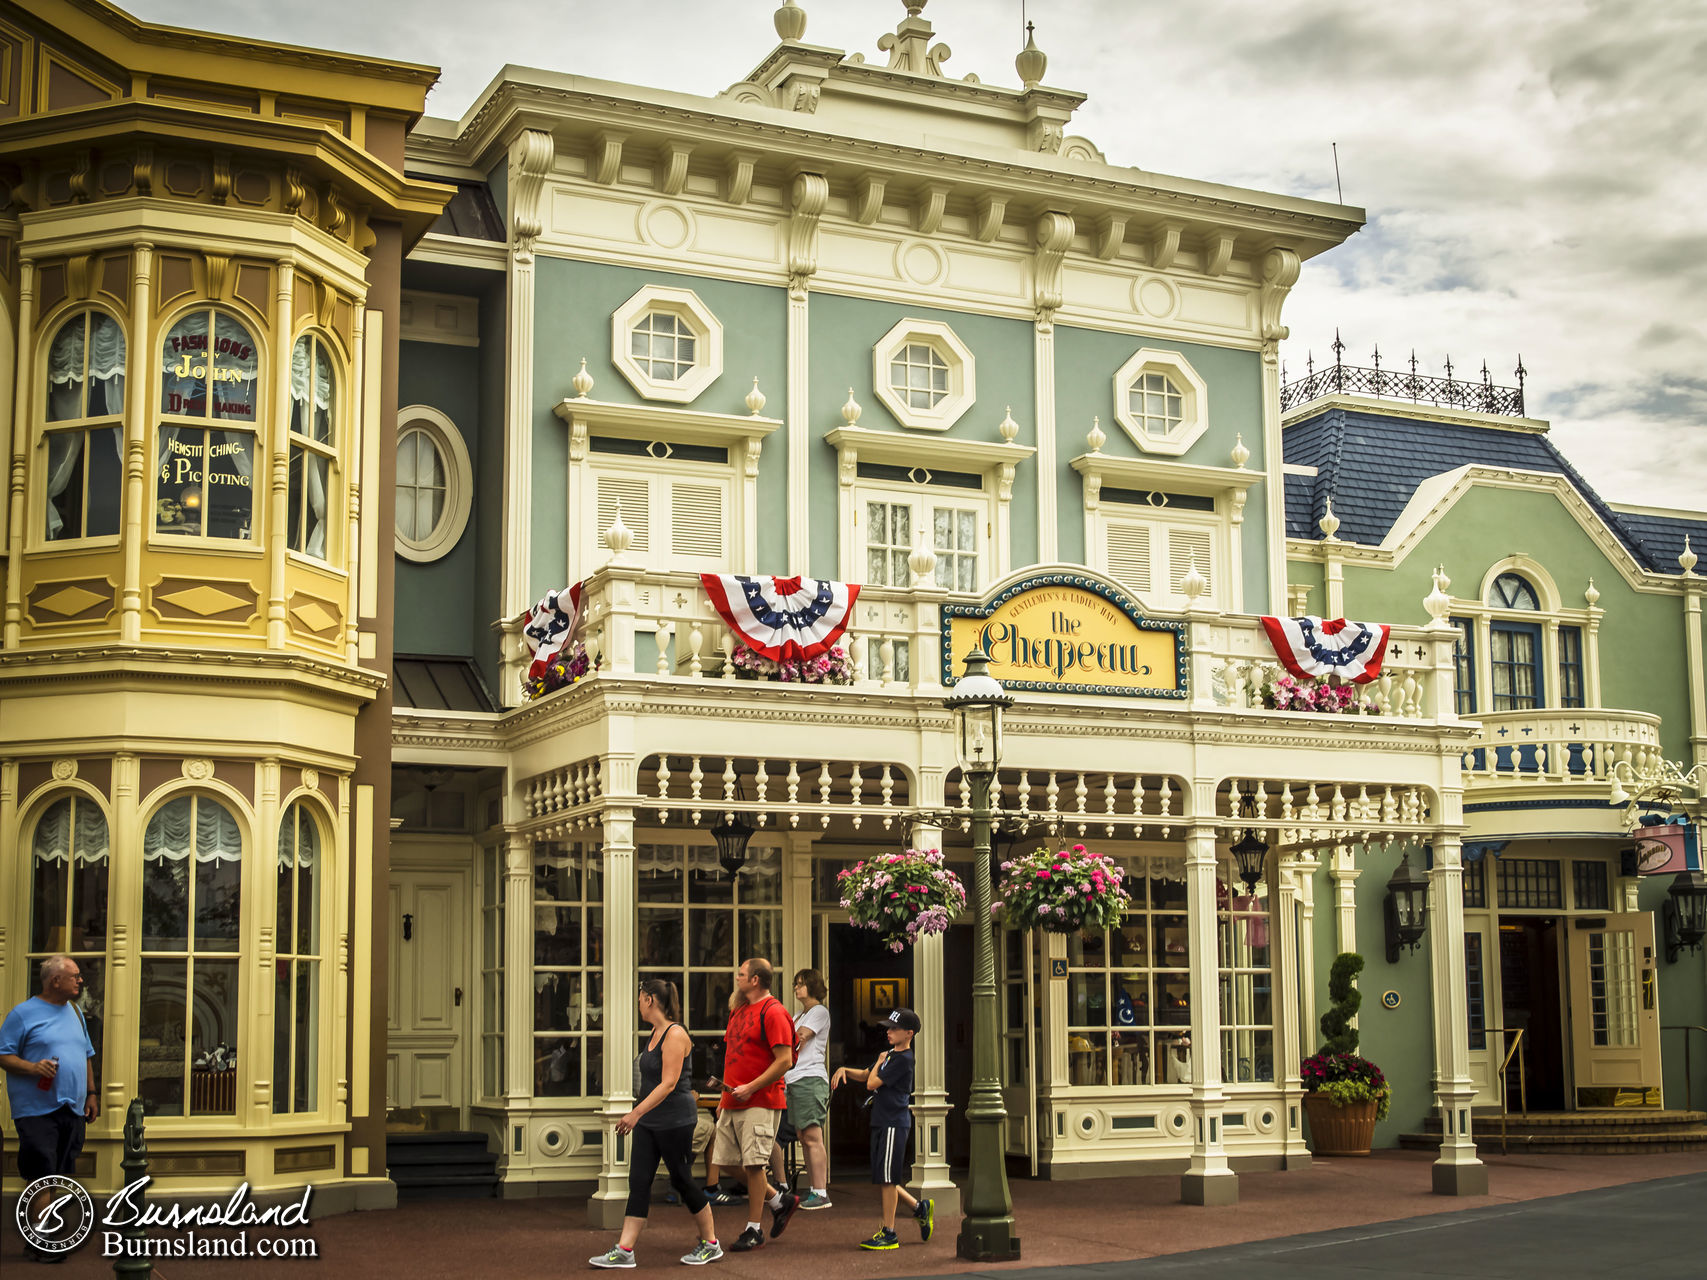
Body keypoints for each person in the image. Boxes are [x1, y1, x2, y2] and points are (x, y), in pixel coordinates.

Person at [589, 979, 723, 1268]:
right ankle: (625, 1250)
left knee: (681, 1180)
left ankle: (711, 1243)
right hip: (650, 1121)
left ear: (650, 1000)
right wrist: (641, 1115)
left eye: (640, 998)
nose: (638, 1003)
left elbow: (668, 1084)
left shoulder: (675, 1034)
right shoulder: (654, 1031)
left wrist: (634, 1113)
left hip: (675, 1120)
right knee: (638, 1181)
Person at [0, 955, 99, 1265]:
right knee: (41, 1171)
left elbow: (86, 1055)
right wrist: (32, 1067)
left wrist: (92, 1094)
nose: (81, 981)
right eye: (75, 976)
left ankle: (37, 1237)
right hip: (36, 1108)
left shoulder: (75, 1013)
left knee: (54, 1174)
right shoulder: (23, 1014)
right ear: (55, 980)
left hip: (72, 1105)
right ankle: (44, 1240)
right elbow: (3, 1055)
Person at [709, 958, 799, 1252]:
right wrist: (725, 1098)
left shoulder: (774, 1012)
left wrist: (751, 1087)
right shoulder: (739, 1010)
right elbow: (732, 1057)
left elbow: (785, 1060)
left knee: (754, 1164)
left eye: (741, 974)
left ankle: (754, 1229)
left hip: (761, 1100)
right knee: (725, 1162)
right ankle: (778, 1200)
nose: (737, 978)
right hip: (733, 1100)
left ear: (756, 980)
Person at [831, 1007, 932, 1251]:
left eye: (895, 1029)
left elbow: (872, 1082)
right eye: (889, 1027)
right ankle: (920, 1208)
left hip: (893, 1122)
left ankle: (889, 1232)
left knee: (887, 1178)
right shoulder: (890, 1055)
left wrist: (878, 1062)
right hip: (882, 1120)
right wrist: (845, 1069)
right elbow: (866, 1074)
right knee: (884, 1176)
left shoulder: (904, 1059)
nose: (889, 1031)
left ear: (908, 1034)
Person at [772, 968, 831, 1209]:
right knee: (802, 1136)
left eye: (801, 984)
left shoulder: (819, 1011)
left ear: (812, 986)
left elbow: (799, 1038)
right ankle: (814, 1190)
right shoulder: (797, 1014)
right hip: (794, 1081)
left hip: (809, 1079)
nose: (796, 988)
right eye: (795, 984)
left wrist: (777, 1044)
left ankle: (820, 1192)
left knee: (812, 1135)